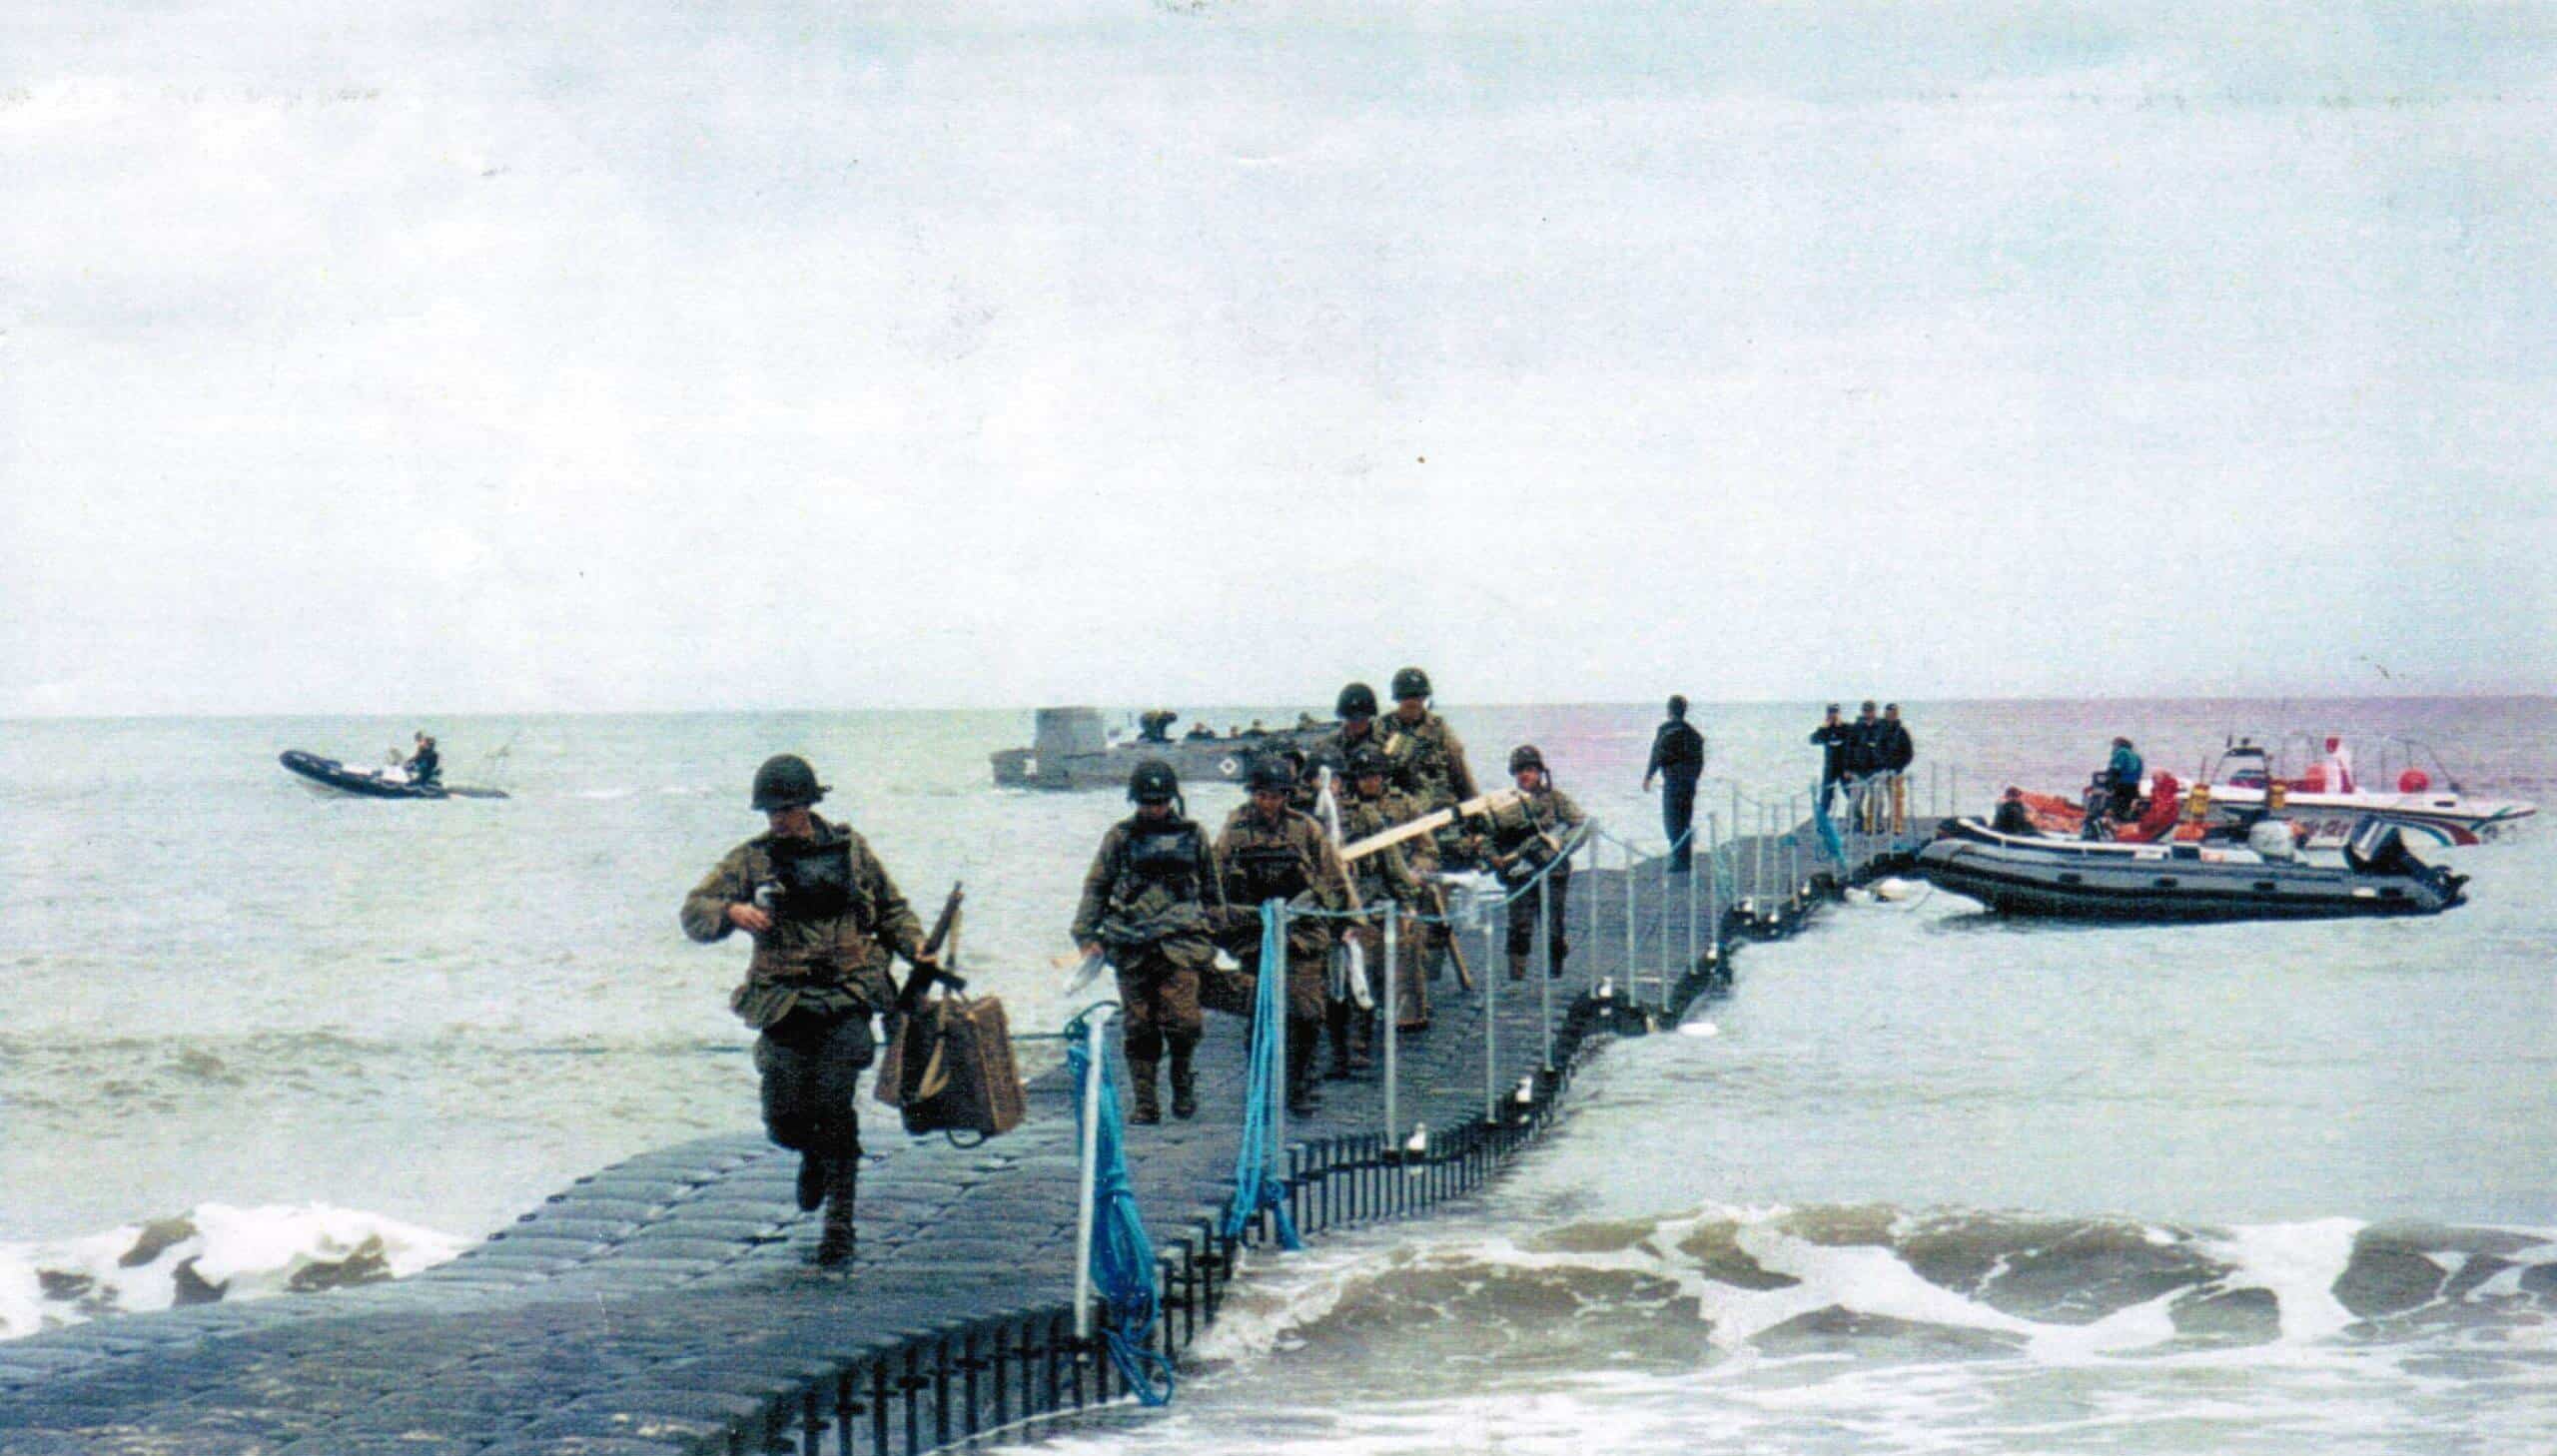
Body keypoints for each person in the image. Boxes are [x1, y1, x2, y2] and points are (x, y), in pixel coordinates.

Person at [679, 754, 940, 1266]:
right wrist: (731, 911)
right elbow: (693, 911)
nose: (781, 820)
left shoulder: (851, 850)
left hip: (847, 994)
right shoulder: (752, 861)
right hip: (782, 1000)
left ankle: (839, 1225)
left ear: (811, 805)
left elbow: (890, 907)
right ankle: (811, 1155)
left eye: (790, 809)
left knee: (834, 1106)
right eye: (773, 812)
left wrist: (916, 947)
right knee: (783, 1117)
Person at [1073, 760, 1224, 1124]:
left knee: (1185, 1023)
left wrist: (1217, 932)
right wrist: (1086, 934)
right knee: (1139, 1026)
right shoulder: (1120, 838)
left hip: (1181, 942)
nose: (1153, 809)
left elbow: (1211, 887)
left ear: (1171, 800)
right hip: (1132, 943)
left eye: (1159, 802)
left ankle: (1182, 1078)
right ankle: (1145, 1101)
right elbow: (1097, 885)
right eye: (1146, 802)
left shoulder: (1194, 835)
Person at [1216, 755, 1354, 1115]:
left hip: (1302, 933)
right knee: (1260, 1015)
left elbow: (1333, 874)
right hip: (1254, 934)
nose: (1269, 803)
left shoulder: (1305, 829)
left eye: (1276, 795)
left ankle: (1300, 1081)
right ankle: (1261, 1087)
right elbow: (1215, 880)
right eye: (1262, 795)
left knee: (1307, 1014)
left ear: (1286, 796)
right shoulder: (1234, 831)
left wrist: (1350, 918)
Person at [1333, 745, 1426, 1071]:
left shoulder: (1381, 814)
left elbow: (1397, 858)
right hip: (1338, 900)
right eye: (1361, 777)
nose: (1368, 783)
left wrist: (1410, 892)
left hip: (1374, 899)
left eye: (1373, 776)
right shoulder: (1329, 815)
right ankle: (1343, 1042)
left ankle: (1363, 1039)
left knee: (1371, 967)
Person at [1475, 745, 1586, 981]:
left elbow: (1581, 825)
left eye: (1529, 769)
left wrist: (1559, 843)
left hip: (1552, 871)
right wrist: (1492, 856)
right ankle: (1517, 979)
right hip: (1520, 873)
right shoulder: (1505, 804)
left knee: (1553, 928)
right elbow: (1487, 836)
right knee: (1519, 928)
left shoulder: (1556, 799)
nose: (1525, 775)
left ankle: (1555, 975)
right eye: (1519, 771)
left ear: (1539, 772)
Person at [1379, 666, 1478, 866]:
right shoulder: (1383, 730)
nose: (1414, 702)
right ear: (1398, 699)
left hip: (1440, 818)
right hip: (1402, 821)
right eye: (1408, 697)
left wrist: (1476, 820)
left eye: (1419, 697)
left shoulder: (1439, 731)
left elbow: (1461, 776)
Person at [1641, 695, 1706, 872]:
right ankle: (1685, 859)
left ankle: (1679, 859)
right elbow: (1699, 761)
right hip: (1688, 782)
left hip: (1673, 781)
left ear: (1669, 710)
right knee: (1685, 820)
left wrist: (1648, 777)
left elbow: (1657, 754)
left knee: (1672, 821)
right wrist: (1693, 777)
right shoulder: (1693, 734)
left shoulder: (1666, 730)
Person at [1875, 704, 1915, 831]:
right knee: (1876, 800)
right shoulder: (1878, 729)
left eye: (1894, 713)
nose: (1891, 715)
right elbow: (1874, 749)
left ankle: (1896, 826)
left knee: (1896, 800)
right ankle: (1877, 825)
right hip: (1880, 770)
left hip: (1896, 771)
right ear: (1885, 714)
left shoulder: (1902, 731)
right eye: (1889, 713)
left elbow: (1908, 753)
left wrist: (1898, 766)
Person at [1809, 704, 1852, 812]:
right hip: (1830, 767)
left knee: (1851, 795)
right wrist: (1823, 727)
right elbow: (1813, 740)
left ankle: (1858, 820)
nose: (1833, 715)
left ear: (1839, 713)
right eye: (1830, 713)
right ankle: (1822, 822)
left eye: (1835, 713)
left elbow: (1855, 744)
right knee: (1826, 796)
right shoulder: (1825, 730)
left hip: (1844, 767)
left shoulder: (1847, 728)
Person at [2105, 737, 2143, 821]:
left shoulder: (2121, 753)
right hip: (2134, 785)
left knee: (2118, 807)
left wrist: (2109, 783)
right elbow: (2139, 772)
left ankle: (2117, 823)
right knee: (2131, 805)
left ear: (2118, 745)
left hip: (2122, 784)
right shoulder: (2136, 756)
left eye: (2114, 745)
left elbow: (2116, 769)